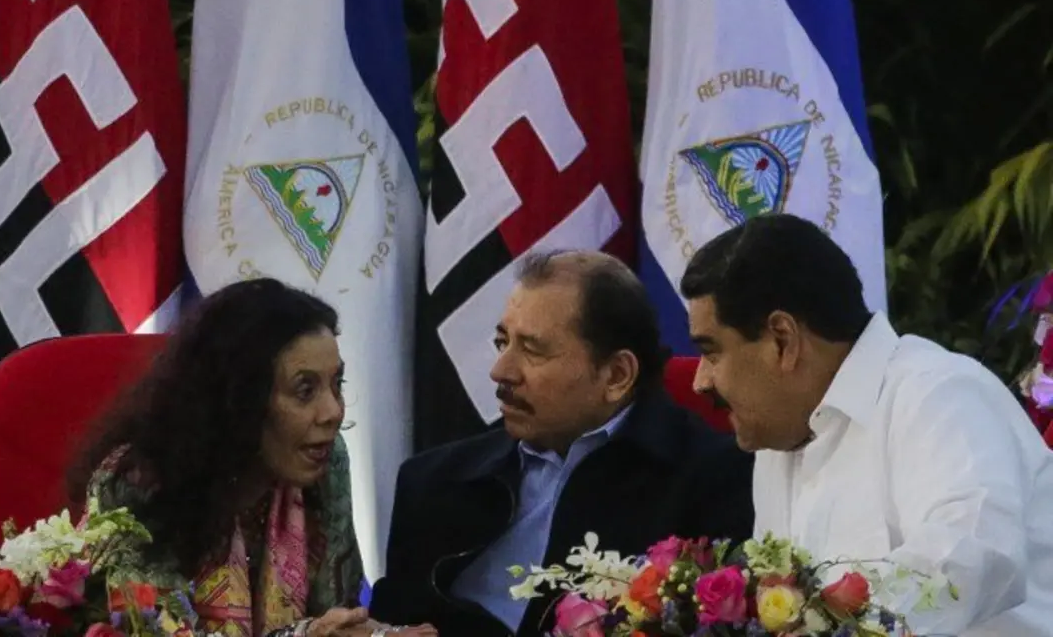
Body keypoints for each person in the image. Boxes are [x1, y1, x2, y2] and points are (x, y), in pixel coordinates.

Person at [680, 213, 1053, 635]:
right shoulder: (778, 437)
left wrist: (821, 625)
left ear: (783, 340)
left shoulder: (938, 393)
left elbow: (975, 558)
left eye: (711, 354)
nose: (700, 381)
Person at [369, 251, 754, 636]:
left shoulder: (715, 482)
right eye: (502, 342)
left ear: (617, 375)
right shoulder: (430, 483)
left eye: (532, 350)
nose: (500, 371)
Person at [67, 279, 436, 637]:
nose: (333, 411)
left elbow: (336, 615)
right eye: (305, 390)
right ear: (240, 399)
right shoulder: (137, 484)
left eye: (336, 384)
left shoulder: (327, 461)